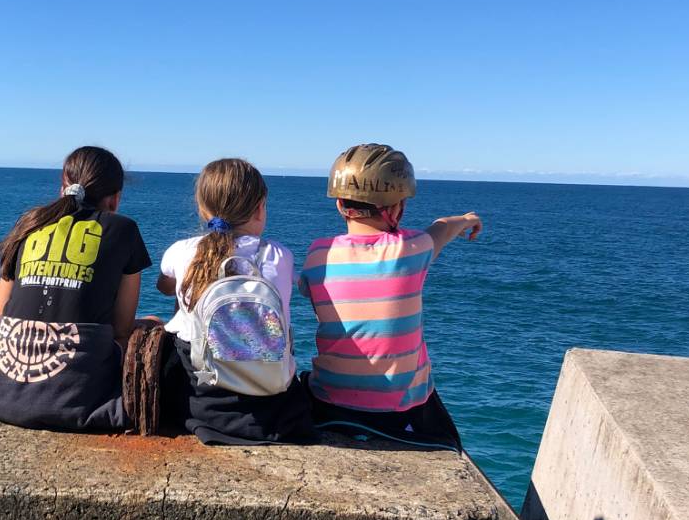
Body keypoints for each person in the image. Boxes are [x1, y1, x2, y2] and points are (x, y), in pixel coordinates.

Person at [0, 146, 151, 431]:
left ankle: (4, 376)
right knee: (152, 324)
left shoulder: (30, 223)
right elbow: (122, 328)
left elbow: (0, 319)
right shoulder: (124, 228)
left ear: (62, 186)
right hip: (77, 394)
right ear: (115, 199)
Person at [297, 143, 482, 449]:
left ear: (340, 204)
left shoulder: (319, 253)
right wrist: (468, 219)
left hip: (329, 405)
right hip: (397, 414)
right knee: (449, 439)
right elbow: (442, 228)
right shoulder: (413, 248)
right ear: (397, 208)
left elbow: (310, 292)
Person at [157, 158, 313, 444]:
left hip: (202, 400)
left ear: (203, 208)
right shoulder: (280, 256)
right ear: (259, 209)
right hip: (271, 405)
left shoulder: (182, 251)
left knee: (175, 322)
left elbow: (163, 285)